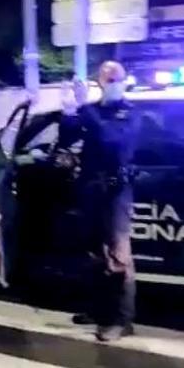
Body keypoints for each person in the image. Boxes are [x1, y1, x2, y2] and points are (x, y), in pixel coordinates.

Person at [65, 61, 139, 342]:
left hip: (116, 191)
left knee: (119, 257)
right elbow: (69, 137)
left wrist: (84, 110)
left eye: (114, 78)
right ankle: (98, 310)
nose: (109, 83)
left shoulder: (128, 114)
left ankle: (121, 320)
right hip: (92, 190)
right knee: (95, 255)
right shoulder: (94, 111)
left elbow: (111, 141)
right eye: (105, 79)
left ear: (123, 81)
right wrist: (69, 112)